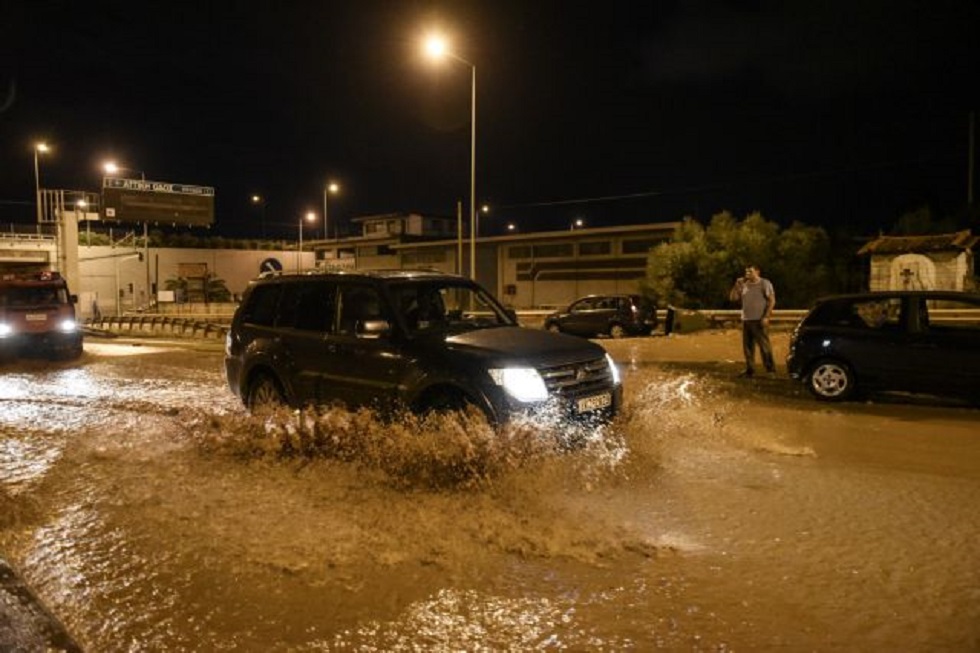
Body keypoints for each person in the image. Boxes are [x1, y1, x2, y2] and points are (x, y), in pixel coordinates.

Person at [729, 264, 776, 377]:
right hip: (747, 319)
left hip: (759, 320)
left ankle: (770, 370)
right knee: (748, 347)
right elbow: (733, 298)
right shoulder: (743, 284)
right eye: (746, 272)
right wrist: (736, 286)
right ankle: (750, 370)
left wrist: (766, 317)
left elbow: (772, 300)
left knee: (764, 346)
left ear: (757, 272)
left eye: (750, 272)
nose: (747, 274)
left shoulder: (764, 283)